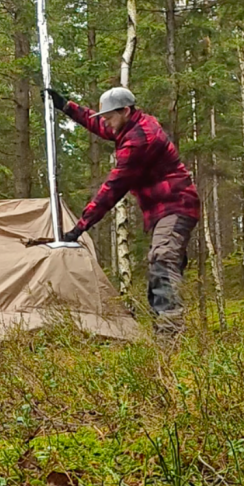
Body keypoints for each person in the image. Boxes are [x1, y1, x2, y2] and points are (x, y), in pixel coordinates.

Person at [44, 85, 201, 346]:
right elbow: (102, 126)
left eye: (109, 116)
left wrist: (80, 227)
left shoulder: (140, 140)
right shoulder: (129, 125)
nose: (105, 121)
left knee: (163, 260)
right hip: (166, 209)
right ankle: (165, 334)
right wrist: (66, 106)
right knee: (160, 268)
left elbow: (113, 189)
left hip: (177, 206)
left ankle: (171, 339)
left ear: (125, 111)